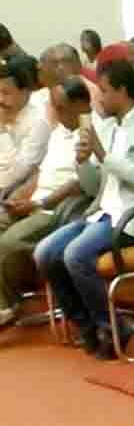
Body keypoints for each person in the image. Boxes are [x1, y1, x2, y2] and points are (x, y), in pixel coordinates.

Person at [33, 60, 134, 359]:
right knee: (44, 253)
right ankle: (85, 325)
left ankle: (112, 328)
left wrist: (103, 154)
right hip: (102, 212)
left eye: (105, 91)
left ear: (122, 91)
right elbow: (93, 186)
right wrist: (83, 162)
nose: (99, 98)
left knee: (75, 255)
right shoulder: (107, 127)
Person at [0, 77, 92, 328]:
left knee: (8, 242)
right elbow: (41, 173)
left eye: (62, 108)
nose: (57, 114)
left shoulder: (92, 134)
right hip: (35, 202)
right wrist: (21, 195)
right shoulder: (58, 133)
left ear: (81, 105)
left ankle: (7, 306)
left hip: (60, 208)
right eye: (54, 107)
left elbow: (80, 184)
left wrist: (38, 203)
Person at [0, 54, 53, 201]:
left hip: (13, 194)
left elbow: (15, 174)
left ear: (25, 92)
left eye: (6, 93)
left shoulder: (38, 123)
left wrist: (2, 130)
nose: (0, 99)